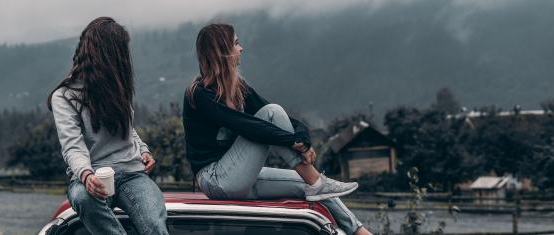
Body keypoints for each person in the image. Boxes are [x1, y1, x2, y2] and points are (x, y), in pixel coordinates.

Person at [183, 23, 372, 235]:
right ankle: (316, 180)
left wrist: (302, 137)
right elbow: (246, 125)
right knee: (271, 112)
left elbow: (283, 119)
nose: (241, 48)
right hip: (215, 179)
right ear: (223, 51)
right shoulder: (199, 93)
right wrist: (291, 142)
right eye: (236, 43)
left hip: (242, 177)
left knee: (308, 187)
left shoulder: (238, 88)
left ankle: (359, 231)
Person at [47, 17, 168, 235]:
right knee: (82, 197)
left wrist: (143, 150)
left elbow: (128, 129)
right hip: (93, 175)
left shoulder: (118, 86)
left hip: (133, 173)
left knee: (154, 226)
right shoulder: (64, 96)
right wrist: (86, 175)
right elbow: (72, 145)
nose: (125, 58)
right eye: (120, 51)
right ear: (107, 54)